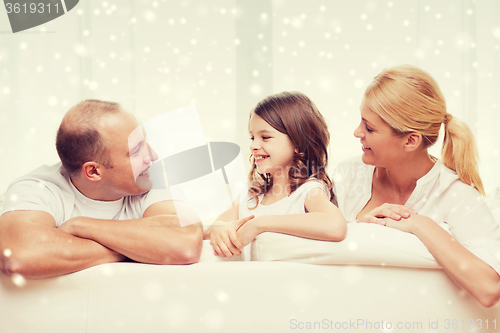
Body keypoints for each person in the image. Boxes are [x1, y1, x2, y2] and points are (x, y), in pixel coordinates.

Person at [333, 65, 500, 307]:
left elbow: (489, 289)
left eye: (369, 128)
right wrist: (362, 230)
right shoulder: (348, 175)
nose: (357, 132)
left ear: (411, 140)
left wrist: (420, 224)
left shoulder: (457, 195)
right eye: (361, 121)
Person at [0, 99, 203, 279]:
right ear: (94, 171)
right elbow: (18, 256)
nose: (153, 156)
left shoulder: (151, 177)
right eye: (135, 150)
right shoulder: (38, 188)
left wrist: (81, 226)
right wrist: (136, 250)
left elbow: (186, 243)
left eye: (145, 142)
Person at [204, 91, 347, 257]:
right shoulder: (249, 196)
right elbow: (211, 230)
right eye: (252, 138)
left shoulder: (308, 191)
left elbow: (336, 225)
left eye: (265, 137)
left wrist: (259, 224)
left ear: (298, 143)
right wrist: (217, 229)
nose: (253, 146)